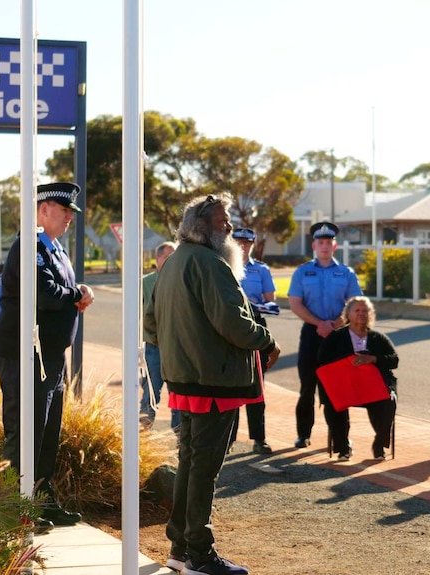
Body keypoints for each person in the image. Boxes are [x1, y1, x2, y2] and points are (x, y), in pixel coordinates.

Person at [143, 194, 281, 575]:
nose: (231, 229)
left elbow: (151, 321)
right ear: (203, 228)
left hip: (185, 377)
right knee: (204, 467)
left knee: (190, 461)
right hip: (213, 381)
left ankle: (180, 547)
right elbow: (233, 323)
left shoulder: (172, 264)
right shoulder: (210, 263)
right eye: (224, 223)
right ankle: (200, 556)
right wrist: (267, 340)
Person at [0, 182, 94, 528]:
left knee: (47, 433)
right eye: (64, 210)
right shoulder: (29, 246)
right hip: (25, 355)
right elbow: (44, 292)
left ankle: (42, 500)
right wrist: (75, 295)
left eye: (71, 213)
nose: (69, 218)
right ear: (43, 208)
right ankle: (13, 510)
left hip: (50, 356)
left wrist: (80, 290)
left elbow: (64, 289)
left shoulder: (56, 250)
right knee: (26, 432)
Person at [287, 221, 362, 450]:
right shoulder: (302, 272)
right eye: (321, 242)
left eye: (329, 242)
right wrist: (320, 324)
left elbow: (355, 303)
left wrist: (336, 323)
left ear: (335, 246)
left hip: (338, 336)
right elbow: (295, 303)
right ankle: (303, 434)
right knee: (307, 388)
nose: (325, 246)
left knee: (338, 389)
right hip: (312, 333)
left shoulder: (346, 273)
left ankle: (341, 440)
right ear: (314, 245)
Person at [317, 296, 398, 460]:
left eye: (365, 311)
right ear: (348, 313)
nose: (361, 314)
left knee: (389, 401)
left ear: (370, 314)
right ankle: (342, 447)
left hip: (373, 386)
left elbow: (394, 360)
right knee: (332, 403)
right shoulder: (336, 337)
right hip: (345, 386)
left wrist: (373, 359)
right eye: (357, 310)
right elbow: (322, 360)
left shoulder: (378, 338)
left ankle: (379, 445)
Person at [228, 227, 275, 455]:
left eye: (247, 243)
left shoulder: (261, 270)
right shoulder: (223, 266)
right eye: (239, 242)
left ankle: (259, 438)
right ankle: (228, 439)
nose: (243, 247)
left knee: (257, 386)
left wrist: (255, 306)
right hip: (230, 331)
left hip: (256, 328)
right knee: (230, 388)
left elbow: (271, 303)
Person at [140, 241, 179, 430]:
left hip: (177, 349)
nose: (172, 261)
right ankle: (142, 437)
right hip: (153, 349)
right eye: (167, 257)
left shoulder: (182, 282)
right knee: (150, 393)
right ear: (157, 259)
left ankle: (181, 441)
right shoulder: (145, 283)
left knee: (179, 397)